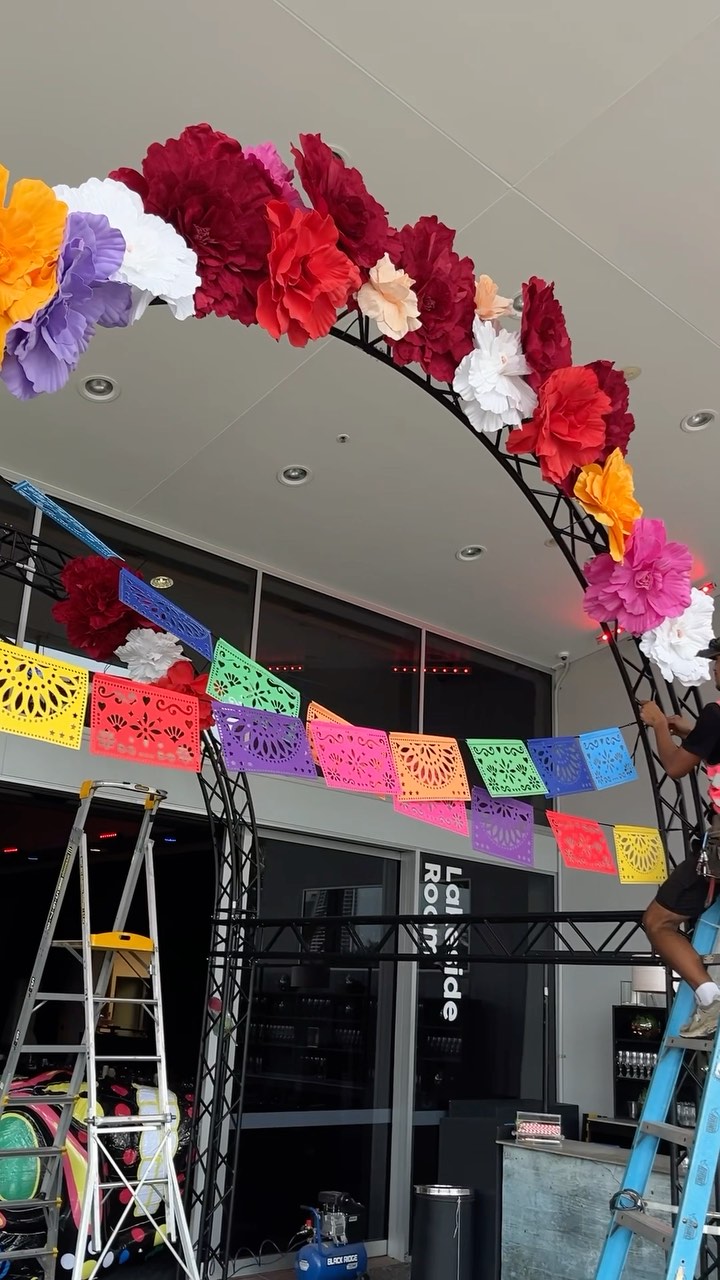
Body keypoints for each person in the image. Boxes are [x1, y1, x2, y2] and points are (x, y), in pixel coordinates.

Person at [640, 638, 720, 1037]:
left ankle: (710, 999)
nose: (714, 669)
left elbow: (674, 767)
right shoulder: (711, 722)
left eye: (718, 661)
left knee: (658, 921)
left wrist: (657, 724)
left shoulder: (715, 713)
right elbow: (712, 743)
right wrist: (689, 729)